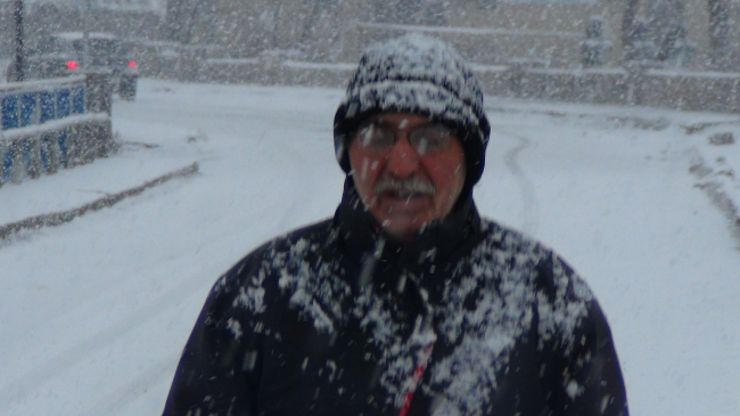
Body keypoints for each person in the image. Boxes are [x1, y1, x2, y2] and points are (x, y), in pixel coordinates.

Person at [161, 35, 629, 416]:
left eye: (431, 137)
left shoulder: (548, 300)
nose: (401, 164)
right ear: (349, 151)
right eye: (377, 134)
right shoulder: (262, 293)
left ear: (469, 158)